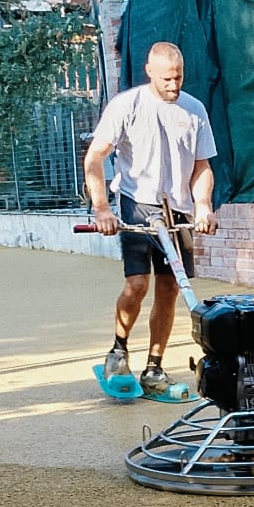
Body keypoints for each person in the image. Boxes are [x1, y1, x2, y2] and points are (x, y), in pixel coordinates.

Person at [82, 42, 219, 395]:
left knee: (171, 289)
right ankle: (118, 350)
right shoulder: (127, 105)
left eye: (179, 77)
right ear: (149, 72)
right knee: (138, 285)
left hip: (178, 210)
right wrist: (101, 208)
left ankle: (155, 368)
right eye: (166, 79)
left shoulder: (194, 109)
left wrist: (203, 204)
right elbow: (95, 158)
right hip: (137, 203)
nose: (174, 85)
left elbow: (202, 165)